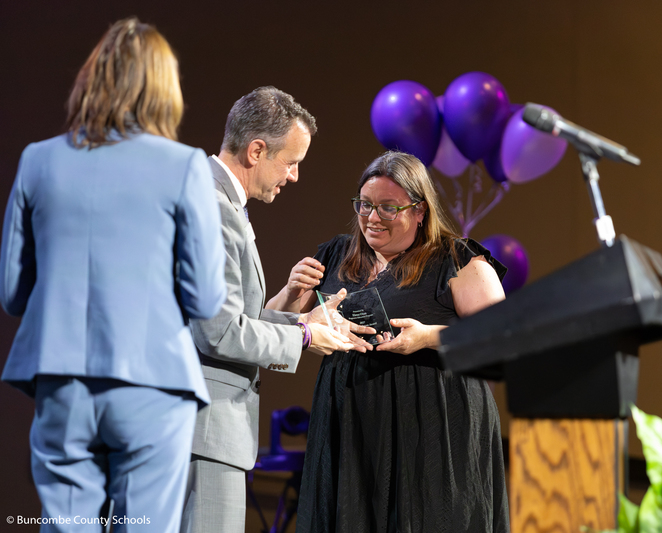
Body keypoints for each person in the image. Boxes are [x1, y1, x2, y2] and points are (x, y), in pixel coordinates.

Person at [0, 17, 227, 532]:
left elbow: (13, 294)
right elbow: (206, 298)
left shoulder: (37, 161)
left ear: (90, 79)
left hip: (62, 381)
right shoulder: (185, 165)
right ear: (165, 88)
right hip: (155, 383)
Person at [268, 151, 510, 532]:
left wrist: (429, 337)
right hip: (349, 425)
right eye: (364, 205)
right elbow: (269, 325)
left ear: (420, 211)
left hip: (433, 430)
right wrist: (288, 292)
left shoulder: (458, 261)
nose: (372, 217)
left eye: (388, 208)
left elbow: (505, 338)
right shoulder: (335, 255)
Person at [182, 87, 370, 533]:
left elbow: (229, 318)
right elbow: (219, 332)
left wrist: (304, 319)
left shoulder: (220, 202)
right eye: (291, 162)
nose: (295, 176)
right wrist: (304, 337)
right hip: (203, 433)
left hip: (204, 432)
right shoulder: (211, 207)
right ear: (256, 150)